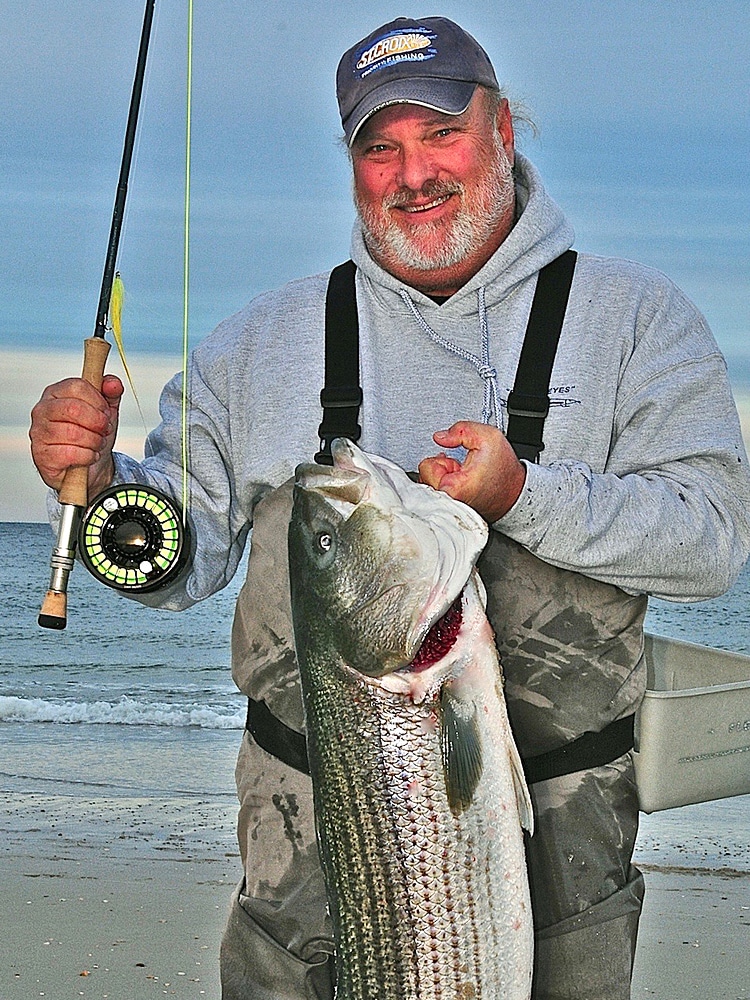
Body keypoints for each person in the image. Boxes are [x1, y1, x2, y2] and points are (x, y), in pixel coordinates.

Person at [30, 15, 750, 1000]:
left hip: (562, 853)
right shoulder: (260, 343)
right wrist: (107, 488)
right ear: (354, 165)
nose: (412, 173)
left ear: (504, 131)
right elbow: (176, 558)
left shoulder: (636, 322)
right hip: (297, 851)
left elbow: (711, 540)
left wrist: (525, 495)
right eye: (380, 147)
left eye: (441, 133)